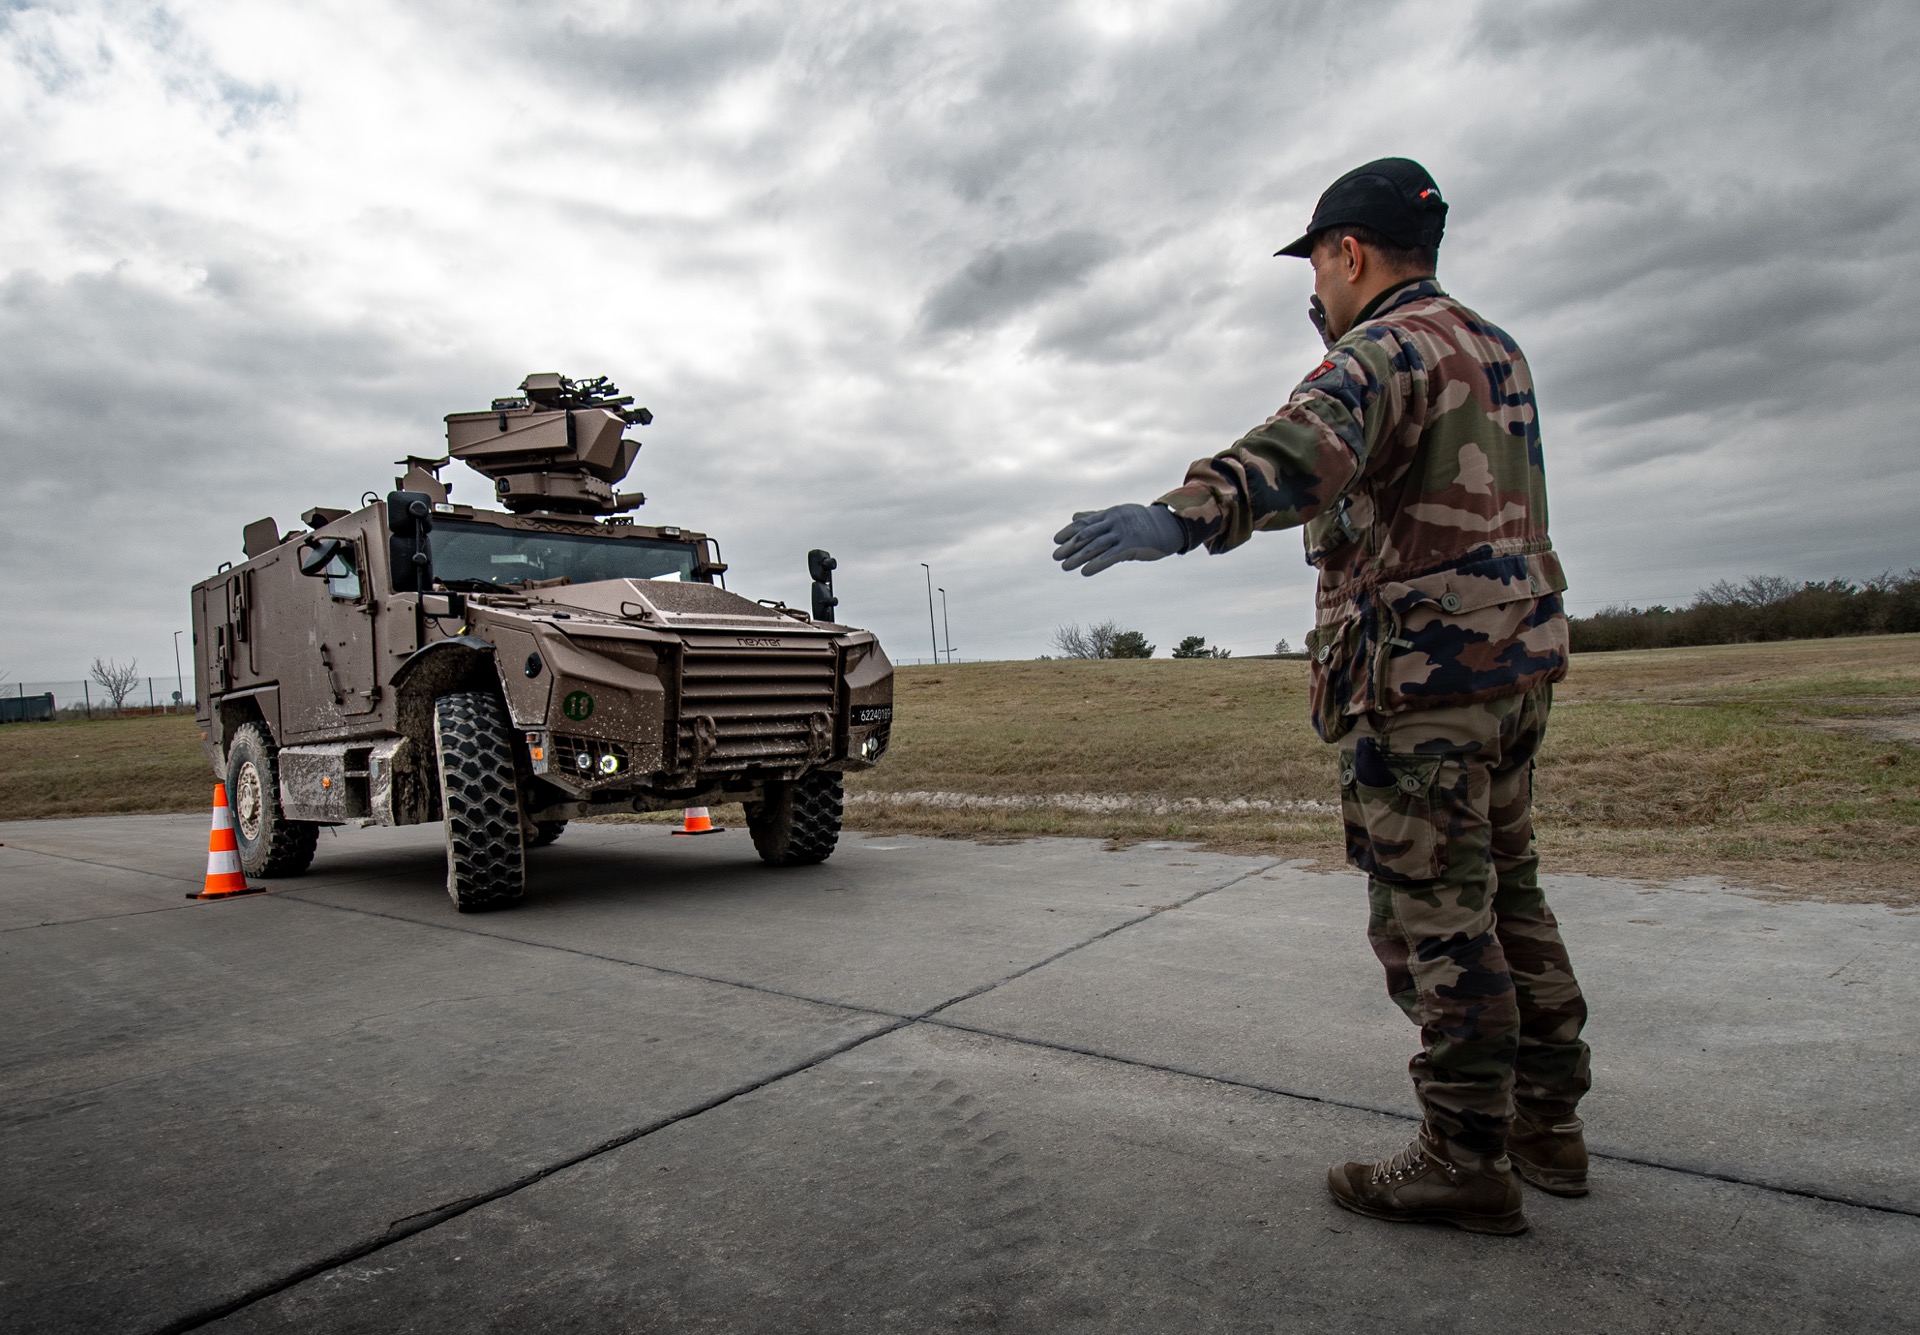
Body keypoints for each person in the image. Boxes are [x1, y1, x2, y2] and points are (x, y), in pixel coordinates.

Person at [1051, 158, 1591, 1235]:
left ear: (1349, 253)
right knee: (1514, 898)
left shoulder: (1381, 350)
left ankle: (1463, 1157)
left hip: (1423, 686)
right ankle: (1547, 1126)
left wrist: (1186, 514)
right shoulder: (1494, 346)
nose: (1319, 288)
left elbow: (1302, 448)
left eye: (1319, 264)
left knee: (1439, 924)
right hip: (1514, 672)